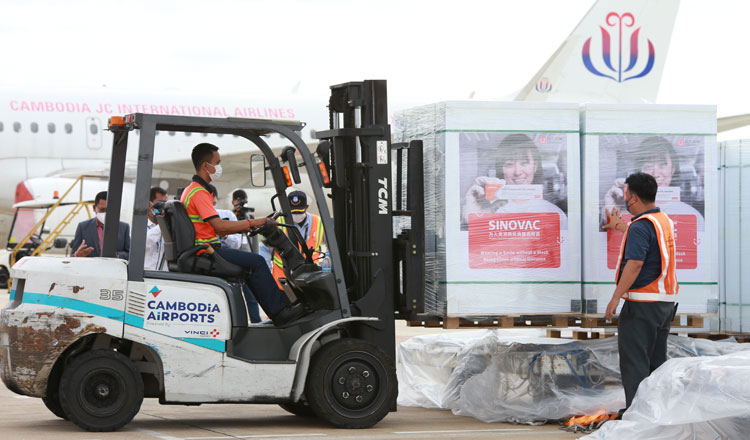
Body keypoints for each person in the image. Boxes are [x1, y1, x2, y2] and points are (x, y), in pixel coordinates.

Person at [181, 142, 305, 326]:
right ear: (206, 166)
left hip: (204, 247)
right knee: (257, 262)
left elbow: (213, 227)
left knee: (252, 264)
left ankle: (279, 307)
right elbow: (219, 226)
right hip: (206, 250)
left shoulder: (193, 190)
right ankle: (281, 312)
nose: (219, 167)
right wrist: (255, 222)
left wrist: (248, 226)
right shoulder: (199, 192)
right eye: (217, 162)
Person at [602, 172, 679, 418]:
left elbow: (635, 264)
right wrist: (622, 227)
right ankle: (655, 415)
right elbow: (647, 239)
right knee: (656, 365)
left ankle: (636, 417)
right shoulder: (662, 220)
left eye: (626, 195)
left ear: (633, 198)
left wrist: (616, 297)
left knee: (635, 363)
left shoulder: (640, 227)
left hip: (643, 305)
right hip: (664, 305)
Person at [462, 133, 567, 228]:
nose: (517, 172)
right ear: (501, 169)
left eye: (524, 163)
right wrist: (473, 219)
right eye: (509, 164)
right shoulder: (489, 210)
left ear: (535, 167)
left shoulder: (554, 214)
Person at [602, 136, 704, 226]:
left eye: (662, 165)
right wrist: (610, 213)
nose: (655, 173)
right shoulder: (624, 213)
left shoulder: (692, 215)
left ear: (673, 170)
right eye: (648, 166)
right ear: (639, 172)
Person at [208, 185, 262, 323]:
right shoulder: (226, 217)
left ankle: (256, 321)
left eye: (242, 200)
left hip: (247, 262)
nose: (240, 203)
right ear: (232, 202)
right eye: (237, 200)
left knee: (251, 298)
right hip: (231, 262)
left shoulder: (250, 218)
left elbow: (254, 243)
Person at [260, 190, 325, 288]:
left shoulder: (318, 222)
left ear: (306, 207)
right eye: (293, 212)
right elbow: (264, 249)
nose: (296, 215)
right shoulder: (277, 222)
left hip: (311, 277)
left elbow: (332, 247)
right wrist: (267, 273)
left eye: (299, 212)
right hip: (283, 280)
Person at [71, 191, 130, 259]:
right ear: (94, 208)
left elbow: (130, 254)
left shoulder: (124, 228)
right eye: (102, 209)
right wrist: (77, 255)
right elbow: (72, 256)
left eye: (110, 210)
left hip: (114, 268)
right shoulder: (83, 227)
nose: (106, 213)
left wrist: (117, 255)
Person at [145, 187, 169, 271]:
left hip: (163, 277)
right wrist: (163, 222)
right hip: (146, 276)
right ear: (149, 205)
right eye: (160, 204)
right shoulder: (139, 227)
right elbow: (147, 241)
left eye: (166, 204)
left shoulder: (168, 227)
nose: (164, 208)